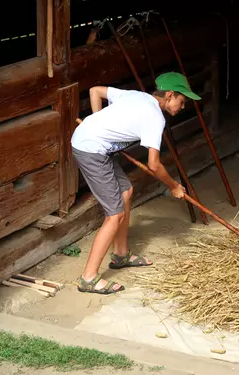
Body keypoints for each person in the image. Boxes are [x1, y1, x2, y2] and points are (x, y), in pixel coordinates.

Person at [71, 72, 202, 294]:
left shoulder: (137, 96)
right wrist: (173, 186)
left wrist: (98, 124)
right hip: (91, 150)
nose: (183, 106)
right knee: (115, 215)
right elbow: (154, 165)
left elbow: (95, 91)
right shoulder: (155, 118)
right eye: (182, 100)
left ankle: (120, 255)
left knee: (126, 192)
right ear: (170, 95)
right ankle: (89, 278)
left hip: (97, 145)